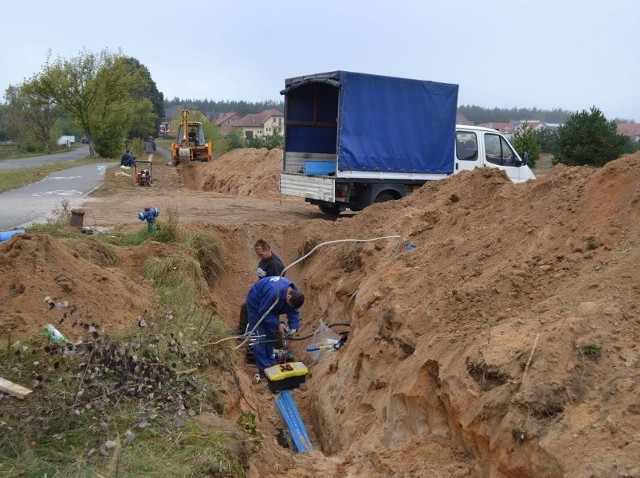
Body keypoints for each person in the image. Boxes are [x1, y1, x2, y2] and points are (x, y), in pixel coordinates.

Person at [245, 276, 304, 377]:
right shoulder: (273, 293)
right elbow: (263, 312)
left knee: (270, 334)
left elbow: (293, 312)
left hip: (271, 306)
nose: (290, 308)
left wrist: (294, 327)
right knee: (261, 338)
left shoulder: (294, 293)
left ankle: (270, 362)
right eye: (289, 305)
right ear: (288, 297)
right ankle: (264, 370)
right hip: (256, 305)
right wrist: (278, 324)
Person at [238, 240, 286, 335]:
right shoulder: (265, 260)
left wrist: (266, 299)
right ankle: (245, 331)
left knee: (266, 313)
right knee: (247, 307)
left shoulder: (274, 265)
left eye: (261, 254)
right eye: (257, 254)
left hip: (270, 295)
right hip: (262, 291)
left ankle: (275, 336)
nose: (259, 256)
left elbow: (277, 285)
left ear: (268, 250)